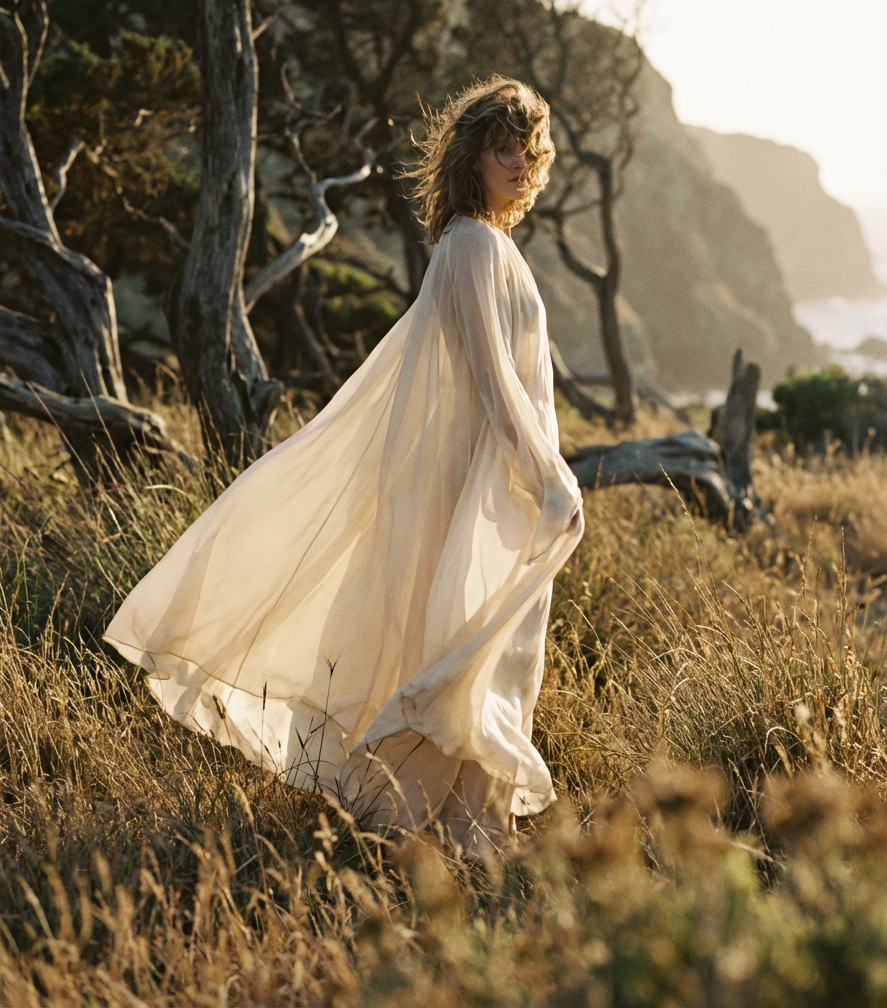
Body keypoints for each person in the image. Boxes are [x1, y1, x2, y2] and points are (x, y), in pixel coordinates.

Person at [104, 75, 584, 854]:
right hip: (476, 478)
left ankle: (468, 822)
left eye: (530, 150)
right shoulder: (468, 244)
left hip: (494, 480)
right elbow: (495, 382)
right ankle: (431, 824)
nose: (522, 164)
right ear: (473, 155)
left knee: (490, 642)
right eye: (505, 148)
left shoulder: (491, 243)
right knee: (458, 643)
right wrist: (550, 474)